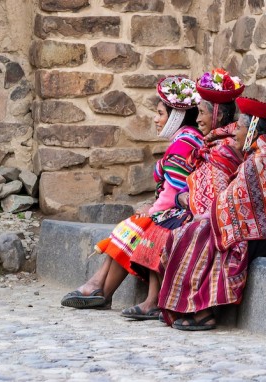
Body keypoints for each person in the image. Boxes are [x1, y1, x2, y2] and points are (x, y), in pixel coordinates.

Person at [158, 97, 266, 331]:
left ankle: (203, 311)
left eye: (239, 128)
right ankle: (187, 305)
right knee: (198, 231)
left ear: (251, 131)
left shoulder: (258, 161)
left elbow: (232, 203)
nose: (235, 133)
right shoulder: (263, 154)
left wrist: (207, 217)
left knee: (214, 242)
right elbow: (237, 202)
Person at [60, 76, 204, 313]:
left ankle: (100, 289)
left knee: (135, 227)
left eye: (160, 114)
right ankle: (98, 287)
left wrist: (151, 210)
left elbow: (176, 192)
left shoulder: (183, 145)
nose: (156, 120)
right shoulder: (188, 140)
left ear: (176, 116)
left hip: (180, 212)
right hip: (176, 208)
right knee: (132, 226)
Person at [122, 69, 245, 319]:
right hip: (197, 209)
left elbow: (214, 191)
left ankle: (188, 307)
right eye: (197, 112)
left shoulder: (225, 145)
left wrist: (182, 200)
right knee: (159, 229)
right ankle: (154, 300)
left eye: (202, 113)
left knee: (169, 231)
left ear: (218, 114)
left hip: (211, 216)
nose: (198, 120)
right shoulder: (210, 142)